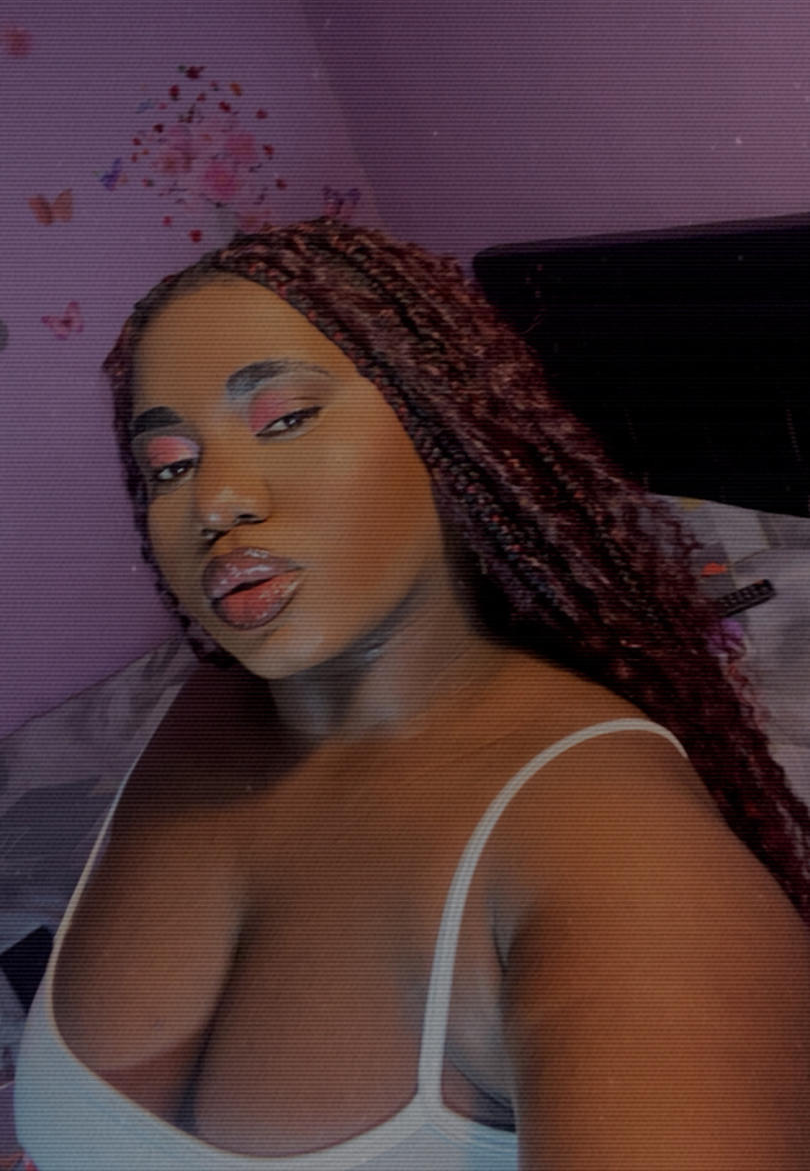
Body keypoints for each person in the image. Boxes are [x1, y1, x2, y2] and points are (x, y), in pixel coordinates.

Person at [13, 216, 810, 1169]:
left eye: (285, 418)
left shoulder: (621, 857)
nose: (213, 502)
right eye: (170, 467)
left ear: (448, 431)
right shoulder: (203, 709)